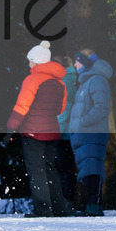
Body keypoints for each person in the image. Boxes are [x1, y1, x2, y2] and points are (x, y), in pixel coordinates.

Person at [6, 41, 68, 218]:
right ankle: (58, 208)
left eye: (30, 61)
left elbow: (21, 106)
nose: (29, 64)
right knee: (51, 169)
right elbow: (60, 109)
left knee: (37, 171)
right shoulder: (59, 83)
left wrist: (10, 127)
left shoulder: (32, 79)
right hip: (52, 130)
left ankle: (43, 210)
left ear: (37, 62)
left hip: (33, 131)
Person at [69, 49, 113, 216]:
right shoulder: (87, 81)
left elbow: (101, 108)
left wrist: (82, 122)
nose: (74, 65)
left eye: (77, 61)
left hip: (92, 133)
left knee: (92, 169)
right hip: (85, 134)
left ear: (85, 63)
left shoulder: (97, 80)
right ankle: (90, 205)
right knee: (87, 170)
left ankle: (94, 207)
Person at [53, 55, 79, 203]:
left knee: (64, 169)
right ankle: (66, 199)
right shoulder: (70, 78)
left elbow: (65, 109)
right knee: (66, 169)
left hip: (64, 134)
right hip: (68, 133)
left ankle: (66, 201)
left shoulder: (65, 81)